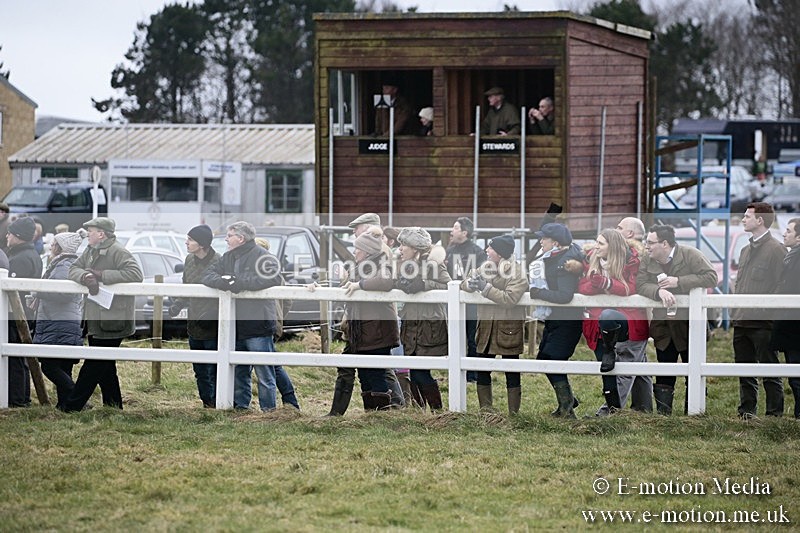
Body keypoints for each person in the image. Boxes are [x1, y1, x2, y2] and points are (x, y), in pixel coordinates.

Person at [202, 221, 287, 411]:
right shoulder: (227, 257)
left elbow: (272, 278)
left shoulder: (263, 257)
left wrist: (239, 282)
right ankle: (241, 408)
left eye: (229, 235)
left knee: (264, 371)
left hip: (258, 324)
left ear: (240, 238)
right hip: (234, 325)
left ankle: (268, 411)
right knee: (239, 369)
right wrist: (224, 282)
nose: (226, 238)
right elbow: (207, 275)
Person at [636, 224, 717, 416]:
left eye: (650, 242)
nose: (646, 246)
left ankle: (694, 414)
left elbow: (711, 277)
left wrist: (678, 282)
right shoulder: (647, 260)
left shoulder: (691, 255)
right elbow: (640, 285)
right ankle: (664, 417)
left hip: (690, 325)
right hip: (663, 326)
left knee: (695, 370)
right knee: (665, 371)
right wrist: (658, 291)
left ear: (665, 244)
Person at [65, 217, 143, 412]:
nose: (87, 234)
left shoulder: (118, 251)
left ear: (101, 234)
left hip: (113, 320)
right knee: (105, 366)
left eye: (90, 231)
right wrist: (86, 276)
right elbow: (73, 269)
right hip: (96, 319)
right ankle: (114, 406)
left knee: (94, 365)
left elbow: (135, 274)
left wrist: (102, 275)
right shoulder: (91, 251)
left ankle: (72, 406)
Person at [573, 229, 649, 416]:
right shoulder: (591, 260)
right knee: (638, 369)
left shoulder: (632, 262)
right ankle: (644, 411)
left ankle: (609, 413)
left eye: (601, 243)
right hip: (600, 325)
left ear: (612, 246)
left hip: (628, 324)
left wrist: (606, 284)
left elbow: (630, 288)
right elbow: (582, 286)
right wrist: (597, 284)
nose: (596, 246)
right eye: (596, 242)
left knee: (623, 370)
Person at [462, 234, 528, 414]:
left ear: (499, 252)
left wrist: (485, 288)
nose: (486, 250)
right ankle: (486, 412)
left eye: (490, 248)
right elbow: (464, 283)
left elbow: (510, 298)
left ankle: (514, 414)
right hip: (486, 327)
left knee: (511, 371)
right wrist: (470, 283)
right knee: (482, 369)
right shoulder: (485, 267)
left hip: (508, 329)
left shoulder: (518, 272)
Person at [732, 202, 786, 418]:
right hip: (741, 321)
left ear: (759, 220)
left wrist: (766, 309)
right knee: (744, 372)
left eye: (747, 216)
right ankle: (747, 412)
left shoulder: (776, 250)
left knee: (770, 370)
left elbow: (781, 285)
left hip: (763, 323)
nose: (743, 219)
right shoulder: (745, 250)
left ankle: (774, 414)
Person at [528, 223, 585, 418]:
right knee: (544, 358)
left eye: (544, 238)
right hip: (556, 319)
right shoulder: (554, 256)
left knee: (552, 360)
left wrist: (538, 293)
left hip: (567, 322)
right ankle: (568, 400)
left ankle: (567, 407)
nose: (541, 241)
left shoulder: (566, 261)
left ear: (556, 242)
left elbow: (565, 295)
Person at [340, 231, 399, 411]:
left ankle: (381, 415)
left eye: (357, 248)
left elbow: (385, 281)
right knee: (364, 374)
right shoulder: (358, 267)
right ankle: (370, 414)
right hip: (363, 331)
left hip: (377, 330)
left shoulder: (382, 264)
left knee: (375, 374)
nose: (354, 252)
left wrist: (360, 285)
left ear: (366, 251)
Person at [395, 227, 450, 411]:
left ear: (415, 248)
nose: (400, 248)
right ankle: (420, 412)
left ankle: (436, 411)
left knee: (420, 371)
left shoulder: (434, 264)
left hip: (429, 325)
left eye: (404, 245)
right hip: (411, 325)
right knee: (414, 370)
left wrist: (424, 285)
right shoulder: (404, 264)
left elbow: (448, 285)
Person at [168, 225, 221, 408]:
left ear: (202, 244)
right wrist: (176, 305)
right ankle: (207, 402)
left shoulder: (219, 262)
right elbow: (186, 288)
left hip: (213, 324)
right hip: (194, 322)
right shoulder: (189, 260)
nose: (186, 242)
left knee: (214, 367)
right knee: (199, 368)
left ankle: (219, 401)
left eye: (190, 239)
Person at [33, 231, 84, 410]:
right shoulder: (65, 264)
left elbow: (63, 294)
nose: (50, 246)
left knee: (49, 365)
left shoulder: (63, 266)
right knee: (63, 366)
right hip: (63, 320)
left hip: (58, 322)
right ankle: (66, 406)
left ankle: (78, 397)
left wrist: (38, 291)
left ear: (59, 247)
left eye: (53, 243)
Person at [614, 216, 653, 412]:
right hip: (637, 319)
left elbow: (629, 287)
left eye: (619, 227)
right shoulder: (641, 256)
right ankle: (643, 407)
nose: (616, 229)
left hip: (631, 320)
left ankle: (611, 408)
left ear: (629, 233)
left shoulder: (632, 257)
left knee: (625, 366)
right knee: (640, 366)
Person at [6, 217, 43, 407]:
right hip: (24, 315)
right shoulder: (31, 254)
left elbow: (13, 292)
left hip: (15, 316)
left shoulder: (20, 259)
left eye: (10, 233)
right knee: (21, 358)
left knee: (16, 358)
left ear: (18, 236)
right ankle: (21, 397)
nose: (7, 236)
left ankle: (17, 398)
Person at [445, 216, 487, 383]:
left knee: (471, 337)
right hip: (453, 301)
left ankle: (472, 375)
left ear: (465, 232)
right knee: (455, 335)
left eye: (455, 228)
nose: (451, 231)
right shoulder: (449, 251)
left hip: (472, 302)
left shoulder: (477, 252)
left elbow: (484, 274)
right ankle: (455, 372)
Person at [772, 218, 800, 418]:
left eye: (789, 231)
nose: (784, 234)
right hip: (790, 322)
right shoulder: (791, 256)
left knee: (796, 372)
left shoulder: (796, 259)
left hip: (794, 324)